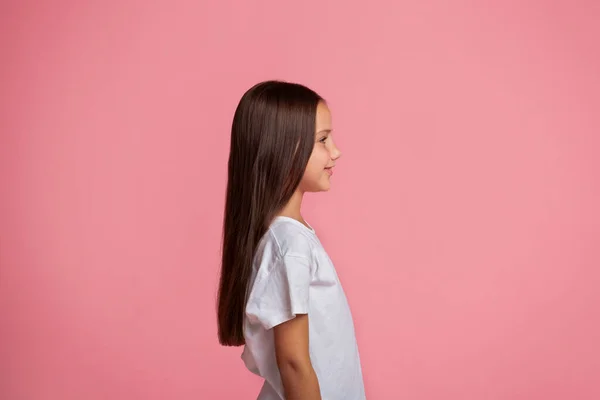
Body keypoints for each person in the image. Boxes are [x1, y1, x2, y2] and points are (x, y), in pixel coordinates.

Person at [217, 80, 365, 400]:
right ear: (284, 148)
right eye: (323, 140)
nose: (336, 151)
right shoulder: (289, 245)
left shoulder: (290, 239)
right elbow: (294, 362)